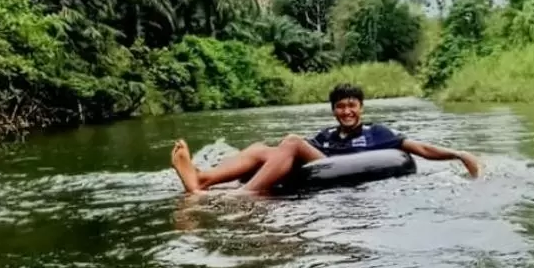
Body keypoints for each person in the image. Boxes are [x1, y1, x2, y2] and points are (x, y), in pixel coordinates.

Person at [170, 82, 480, 196]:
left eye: (352, 106)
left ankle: (242, 196)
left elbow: (421, 149)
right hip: (323, 164)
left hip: (342, 167)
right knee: (259, 148)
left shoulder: (378, 133)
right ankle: (202, 178)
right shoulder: (326, 135)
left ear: (361, 108)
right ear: (334, 110)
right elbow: (290, 159)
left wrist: (459, 154)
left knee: (290, 141)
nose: (347, 111)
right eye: (341, 106)